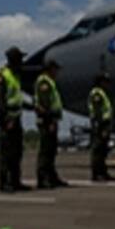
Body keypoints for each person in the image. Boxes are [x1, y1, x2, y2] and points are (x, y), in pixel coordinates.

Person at [0, 46, 31, 193]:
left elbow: (16, 98)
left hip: (16, 116)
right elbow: (0, 100)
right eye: (20, 59)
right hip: (8, 117)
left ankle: (15, 181)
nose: (22, 61)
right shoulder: (1, 76)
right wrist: (6, 118)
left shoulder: (15, 76)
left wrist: (31, 107)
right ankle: (5, 183)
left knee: (17, 151)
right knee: (6, 153)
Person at [34, 59, 68, 189]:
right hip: (46, 121)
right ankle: (43, 179)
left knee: (51, 151)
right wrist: (50, 121)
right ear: (50, 69)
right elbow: (44, 104)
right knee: (46, 151)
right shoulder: (44, 82)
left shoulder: (50, 82)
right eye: (56, 69)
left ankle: (52, 177)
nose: (57, 72)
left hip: (51, 120)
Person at [88, 72, 114, 181]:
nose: (107, 84)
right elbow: (97, 110)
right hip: (100, 124)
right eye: (105, 82)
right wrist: (100, 125)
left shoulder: (102, 93)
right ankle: (97, 173)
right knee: (98, 150)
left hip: (104, 124)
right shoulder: (97, 93)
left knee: (103, 150)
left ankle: (103, 172)